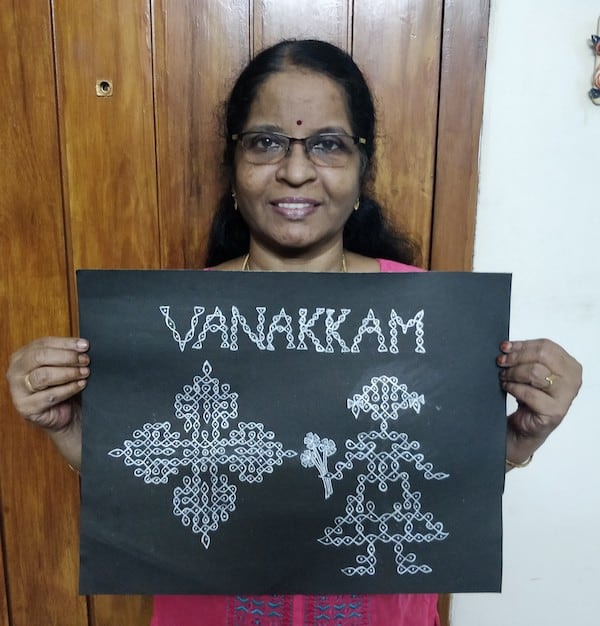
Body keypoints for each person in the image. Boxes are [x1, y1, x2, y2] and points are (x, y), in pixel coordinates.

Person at [6, 39, 582, 626]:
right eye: (266, 143)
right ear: (233, 167)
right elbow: (151, 479)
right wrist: (74, 430)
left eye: (328, 144)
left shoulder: (431, 319)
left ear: (363, 170)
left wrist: (511, 445)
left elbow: (432, 481)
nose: (297, 170)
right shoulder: (173, 326)